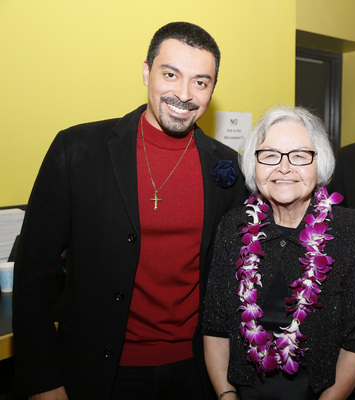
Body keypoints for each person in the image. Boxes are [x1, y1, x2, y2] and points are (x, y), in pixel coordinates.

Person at [13, 22, 247, 400]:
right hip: (99, 371)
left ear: (212, 89)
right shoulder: (77, 150)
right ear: (146, 72)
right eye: (170, 74)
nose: (184, 94)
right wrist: (43, 382)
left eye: (200, 82)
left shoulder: (228, 167)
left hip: (194, 372)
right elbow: (34, 274)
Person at [202, 105, 355, 400]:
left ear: (319, 163)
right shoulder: (233, 226)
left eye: (299, 155)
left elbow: (354, 343)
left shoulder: (353, 231)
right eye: (269, 155)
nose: (284, 167)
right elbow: (215, 328)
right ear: (253, 164)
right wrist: (226, 395)